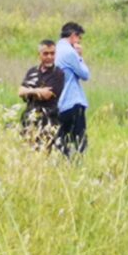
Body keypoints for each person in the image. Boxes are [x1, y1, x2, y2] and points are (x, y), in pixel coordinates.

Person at [18, 39, 64, 147]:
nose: (49, 57)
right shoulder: (32, 71)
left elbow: (47, 95)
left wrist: (29, 91)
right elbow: (20, 91)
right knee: (27, 148)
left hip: (49, 119)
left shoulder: (58, 73)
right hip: (30, 117)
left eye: (52, 53)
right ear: (39, 55)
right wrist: (37, 91)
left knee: (45, 149)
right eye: (46, 54)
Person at [54, 22, 90, 155]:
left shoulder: (54, 50)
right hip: (73, 101)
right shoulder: (70, 52)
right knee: (79, 140)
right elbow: (85, 74)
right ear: (74, 36)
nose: (79, 41)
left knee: (61, 140)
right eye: (79, 38)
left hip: (58, 103)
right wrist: (80, 57)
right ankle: (77, 166)